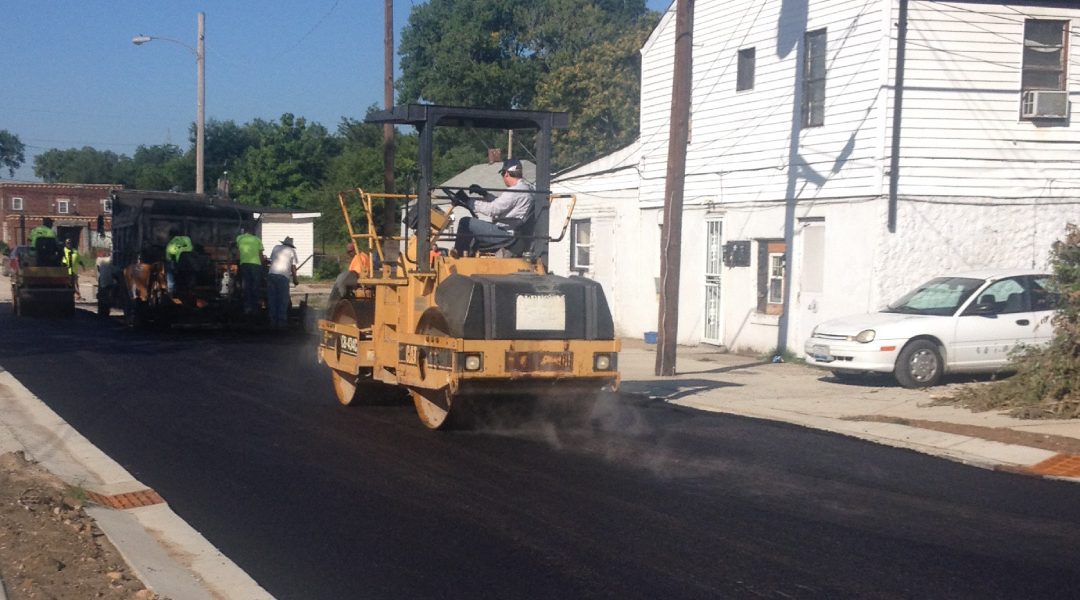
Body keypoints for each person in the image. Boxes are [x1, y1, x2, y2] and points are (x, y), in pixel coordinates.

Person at [453, 158, 534, 256]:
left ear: (506, 173)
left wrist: (468, 201)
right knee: (474, 229)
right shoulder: (525, 189)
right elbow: (502, 203)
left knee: (465, 222)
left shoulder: (515, 191)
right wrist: (485, 194)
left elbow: (493, 209)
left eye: (502, 174)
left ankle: (458, 257)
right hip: (512, 231)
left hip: (505, 233)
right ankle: (467, 255)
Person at [267, 236, 298, 328]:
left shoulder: (276, 247)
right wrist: (295, 279)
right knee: (283, 300)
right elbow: (293, 267)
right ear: (291, 244)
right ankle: (281, 322)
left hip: (272, 274)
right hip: (283, 276)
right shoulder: (292, 251)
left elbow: (271, 260)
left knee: (272, 299)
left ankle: (272, 321)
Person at [235, 227, 264, 315]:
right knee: (255, 286)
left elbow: (238, 254)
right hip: (256, 265)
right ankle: (255, 308)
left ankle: (247, 307)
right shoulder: (257, 240)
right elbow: (260, 254)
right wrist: (262, 266)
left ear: (245, 232)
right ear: (253, 233)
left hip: (244, 264)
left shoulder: (240, 238)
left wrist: (238, 262)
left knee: (247, 286)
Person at [165, 229, 193, 294]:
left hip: (178, 265)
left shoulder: (171, 244)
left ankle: (171, 288)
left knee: (169, 269)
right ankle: (189, 287)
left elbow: (168, 257)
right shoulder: (187, 239)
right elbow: (191, 248)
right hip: (189, 265)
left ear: (170, 236)